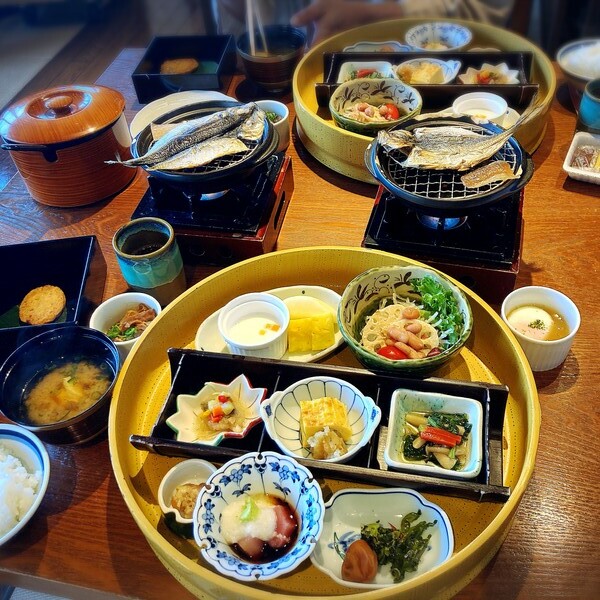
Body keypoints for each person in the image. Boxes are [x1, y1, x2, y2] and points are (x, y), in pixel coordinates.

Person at [214, 0, 516, 46]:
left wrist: (371, 13)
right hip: (306, 61)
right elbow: (253, 16)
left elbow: (480, 8)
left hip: (444, 58)